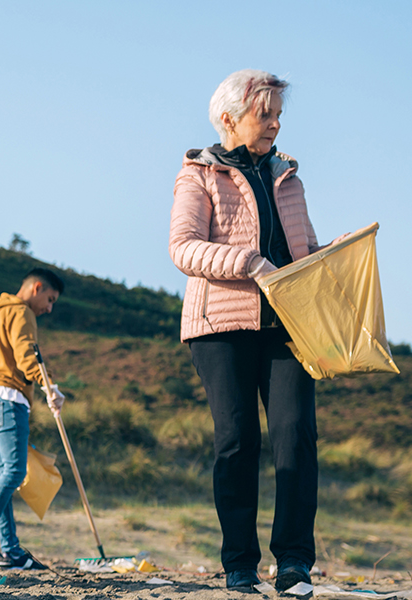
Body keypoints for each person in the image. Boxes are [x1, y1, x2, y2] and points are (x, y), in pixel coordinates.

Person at [169, 69, 340, 592]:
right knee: (238, 440)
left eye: (278, 115)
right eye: (264, 114)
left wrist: (334, 254)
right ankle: (240, 564)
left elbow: (301, 252)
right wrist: (251, 263)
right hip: (220, 326)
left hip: (287, 325)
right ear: (229, 118)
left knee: (296, 435)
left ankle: (294, 563)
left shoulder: (289, 177)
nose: (275, 124)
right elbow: (183, 247)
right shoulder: (198, 174)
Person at [0, 268, 65, 570]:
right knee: (13, 472)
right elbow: (27, 356)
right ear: (37, 288)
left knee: (4, 474)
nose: (49, 308)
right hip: (8, 398)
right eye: (50, 299)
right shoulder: (22, 312)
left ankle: (11, 551)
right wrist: (49, 386)